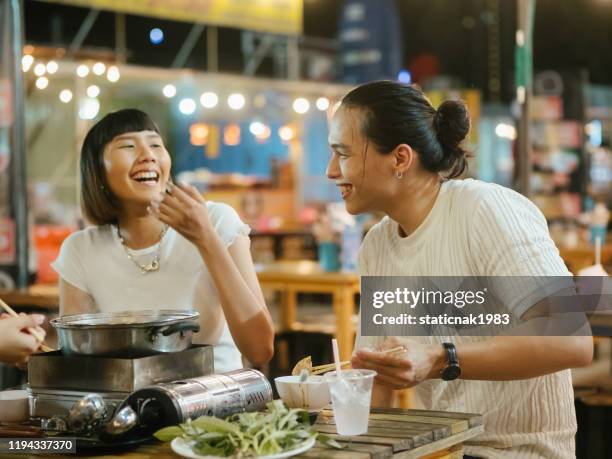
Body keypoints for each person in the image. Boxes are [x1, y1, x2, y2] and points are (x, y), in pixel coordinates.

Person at [325, 81, 593, 458]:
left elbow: (573, 341)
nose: (330, 171)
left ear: (400, 159)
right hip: (443, 451)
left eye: (343, 154)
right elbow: (376, 382)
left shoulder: (484, 209)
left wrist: (441, 358)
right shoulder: (377, 245)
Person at [52, 109, 274, 372]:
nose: (148, 155)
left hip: (217, 400)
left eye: (156, 144)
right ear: (97, 172)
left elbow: (261, 349)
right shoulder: (81, 250)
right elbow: (78, 360)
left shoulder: (215, 219)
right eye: (128, 146)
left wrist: (206, 239)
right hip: (127, 404)